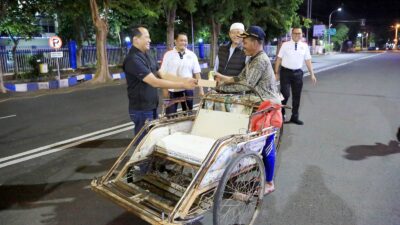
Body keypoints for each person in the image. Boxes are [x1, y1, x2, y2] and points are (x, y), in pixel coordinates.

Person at [215, 25, 279, 195]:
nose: (243, 44)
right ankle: (255, 170)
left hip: (267, 107)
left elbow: (246, 85)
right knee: (252, 141)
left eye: (245, 41)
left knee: (267, 145)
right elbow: (240, 77)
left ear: (256, 42)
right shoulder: (252, 58)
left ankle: (270, 183)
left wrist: (221, 89)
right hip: (256, 105)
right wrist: (224, 79)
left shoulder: (261, 60)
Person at [123, 26, 197, 140]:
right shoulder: (133, 59)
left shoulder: (147, 54)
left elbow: (162, 73)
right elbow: (154, 82)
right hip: (141, 108)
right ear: (136, 39)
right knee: (144, 142)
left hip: (151, 106)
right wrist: (183, 85)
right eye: (146, 37)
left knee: (152, 138)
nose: (150, 40)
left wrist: (184, 80)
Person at [274, 26, 317, 125]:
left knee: (296, 96)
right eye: (295, 33)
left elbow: (308, 60)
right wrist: (276, 73)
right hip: (285, 72)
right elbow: (279, 59)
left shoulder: (304, 46)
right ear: (291, 34)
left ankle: (295, 117)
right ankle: (281, 114)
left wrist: (312, 74)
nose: (297, 35)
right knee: (285, 94)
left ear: (302, 34)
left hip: (298, 73)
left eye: (299, 33)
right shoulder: (285, 45)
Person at [160, 32, 203, 114]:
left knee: (188, 114)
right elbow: (163, 74)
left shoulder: (192, 55)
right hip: (171, 90)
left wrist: (201, 90)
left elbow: (197, 73)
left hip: (187, 90)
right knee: (170, 115)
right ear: (175, 41)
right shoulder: (168, 55)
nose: (184, 42)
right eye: (181, 40)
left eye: (185, 41)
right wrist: (165, 90)